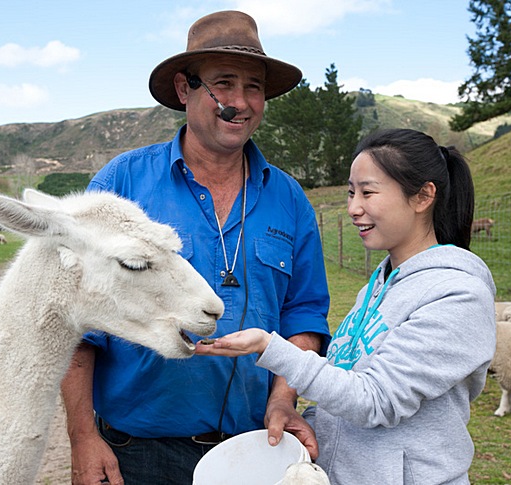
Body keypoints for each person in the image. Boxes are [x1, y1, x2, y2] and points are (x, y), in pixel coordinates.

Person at [60, 10, 331, 485]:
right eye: (223, 84)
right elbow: (75, 323)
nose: (240, 102)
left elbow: (304, 316)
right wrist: (83, 436)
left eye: (254, 87)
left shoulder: (289, 199)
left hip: (254, 451)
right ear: (185, 89)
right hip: (136, 455)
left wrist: (283, 399)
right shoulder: (121, 185)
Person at [196, 128, 497, 484]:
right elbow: (349, 380)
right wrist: (310, 421)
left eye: (368, 192)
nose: (354, 208)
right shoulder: (379, 285)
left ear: (422, 196)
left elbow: (376, 399)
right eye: (351, 192)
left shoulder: (458, 294)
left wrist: (269, 347)